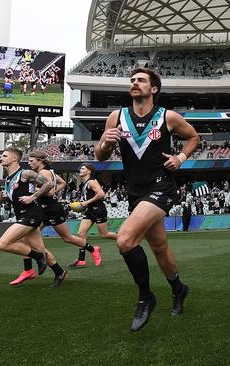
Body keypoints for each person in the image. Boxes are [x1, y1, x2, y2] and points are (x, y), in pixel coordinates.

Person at [95, 67, 200, 331]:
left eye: (141, 80)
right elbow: (100, 156)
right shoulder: (116, 117)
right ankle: (178, 288)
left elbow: (193, 137)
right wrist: (106, 144)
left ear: (153, 89)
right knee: (159, 247)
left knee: (125, 239)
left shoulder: (168, 117)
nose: (134, 83)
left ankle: (145, 296)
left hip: (161, 187)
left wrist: (180, 158)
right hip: (134, 191)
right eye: (132, 80)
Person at [9, 151, 102, 286]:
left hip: (51, 209)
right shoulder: (48, 171)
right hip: (43, 209)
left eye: (31, 160)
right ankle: (28, 269)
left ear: (40, 161)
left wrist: (33, 193)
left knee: (67, 238)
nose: (29, 163)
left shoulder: (44, 173)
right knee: (26, 237)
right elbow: (62, 183)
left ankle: (93, 249)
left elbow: (51, 190)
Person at [0, 147, 68, 288]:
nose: (1, 158)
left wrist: (32, 197)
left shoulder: (25, 173)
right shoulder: (9, 178)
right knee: (40, 248)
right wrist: (2, 198)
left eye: (4, 155)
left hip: (31, 215)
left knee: (3, 244)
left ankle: (37, 259)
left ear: (14, 158)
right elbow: (15, 198)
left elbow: (48, 184)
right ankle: (59, 272)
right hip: (24, 215)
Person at [70, 163, 116, 268]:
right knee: (81, 233)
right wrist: (83, 206)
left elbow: (101, 194)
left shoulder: (91, 181)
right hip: (90, 211)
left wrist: (87, 202)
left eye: (82, 168)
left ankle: (124, 239)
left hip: (98, 210)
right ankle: (81, 259)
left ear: (89, 171)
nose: (80, 170)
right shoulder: (85, 182)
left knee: (104, 234)